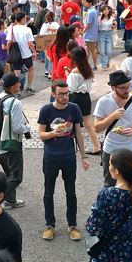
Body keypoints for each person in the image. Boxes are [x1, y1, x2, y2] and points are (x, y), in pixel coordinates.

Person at [37, 80, 88, 241]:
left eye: (67, 93)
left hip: (69, 157)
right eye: (61, 94)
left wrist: (84, 156)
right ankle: (49, 225)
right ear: (53, 95)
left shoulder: (74, 108)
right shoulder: (46, 110)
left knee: (71, 192)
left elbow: (78, 133)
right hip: (50, 157)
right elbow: (41, 134)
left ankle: (72, 225)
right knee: (48, 192)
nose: (65, 97)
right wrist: (53, 133)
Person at [94, 70, 132, 187]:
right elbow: (97, 128)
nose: (126, 91)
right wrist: (112, 117)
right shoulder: (103, 101)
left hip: (131, 149)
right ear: (113, 88)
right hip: (111, 149)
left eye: (128, 87)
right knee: (110, 184)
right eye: (122, 88)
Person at [0, 72, 31, 210]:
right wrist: (28, 127)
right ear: (12, 88)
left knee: (9, 174)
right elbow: (17, 128)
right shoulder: (15, 103)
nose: (20, 84)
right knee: (16, 177)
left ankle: (10, 200)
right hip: (11, 144)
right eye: (18, 83)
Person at [67, 46, 102, 155]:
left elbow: (72, 88)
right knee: (88, 124)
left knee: (74, 123)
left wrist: (68, 75)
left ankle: (73, 146)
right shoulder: (88, 69)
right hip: (86, 97)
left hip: (75, 98)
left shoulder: (75, 71)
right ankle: (96, 146)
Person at [6, 12, 37, 92]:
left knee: (17, 71)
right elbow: (30, 43)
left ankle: (17, 90)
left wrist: (8, 51)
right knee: (30, 68)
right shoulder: (27, 29)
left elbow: (9, 42)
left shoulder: (11, 29)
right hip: (26, 54)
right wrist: (34, 52)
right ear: (23, 19)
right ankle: (29, 86)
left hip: (16, 54)